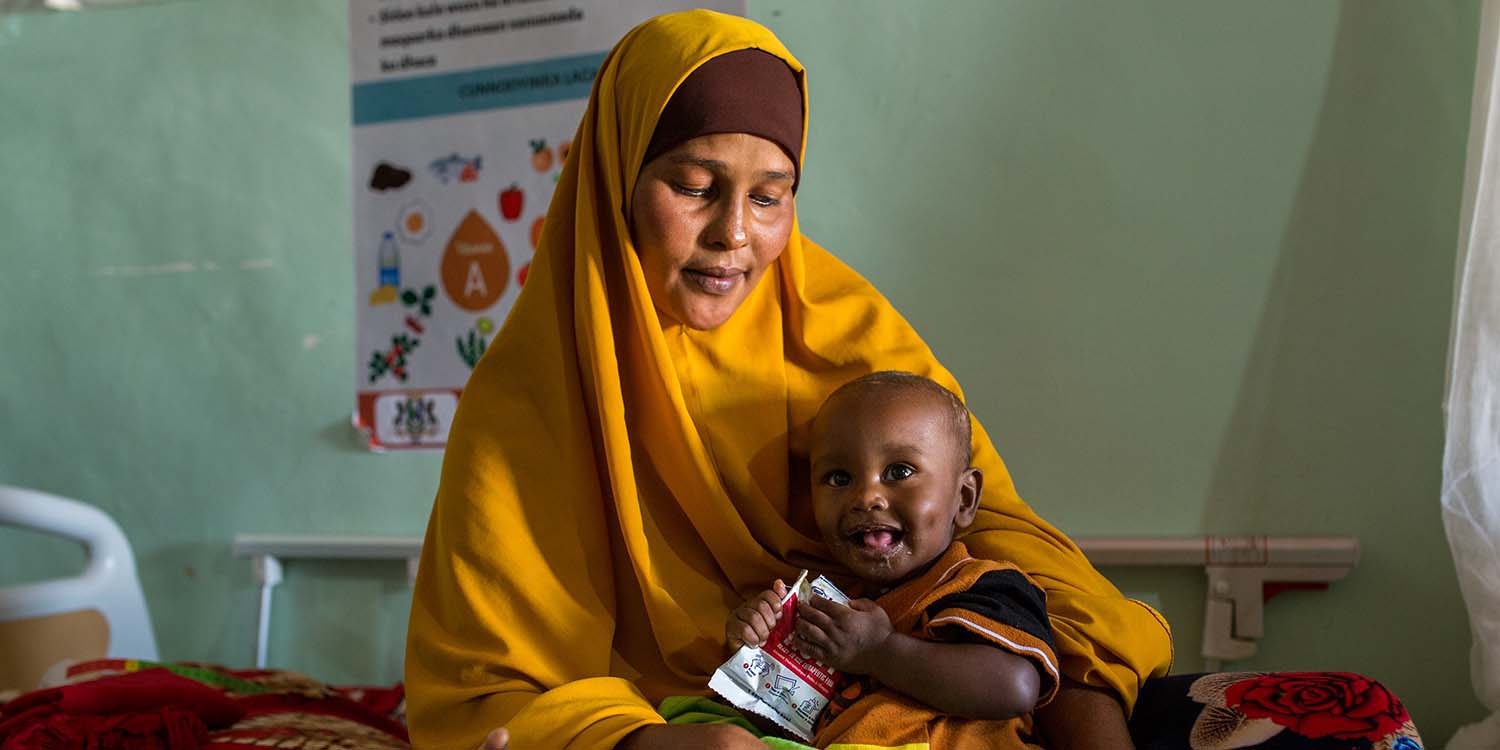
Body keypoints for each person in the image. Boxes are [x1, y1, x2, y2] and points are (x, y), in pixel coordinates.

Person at [405, 9, 1172, 750]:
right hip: (660, 713)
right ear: (617, 180)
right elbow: (486, 687)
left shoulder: (851, 338)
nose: (734, 233)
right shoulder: (526, 396)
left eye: (769, 197)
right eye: (695, 186)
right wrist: (639, 740)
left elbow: (1016, 561)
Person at [727, 371, 1059, 748]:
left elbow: (1013, 687)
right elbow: (792, 721)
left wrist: (880, 650)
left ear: (964, 498)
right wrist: (755, 648)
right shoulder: (834, 607)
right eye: (838, 478)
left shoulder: (977, 584)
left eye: (898, 472)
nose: (866, 496)